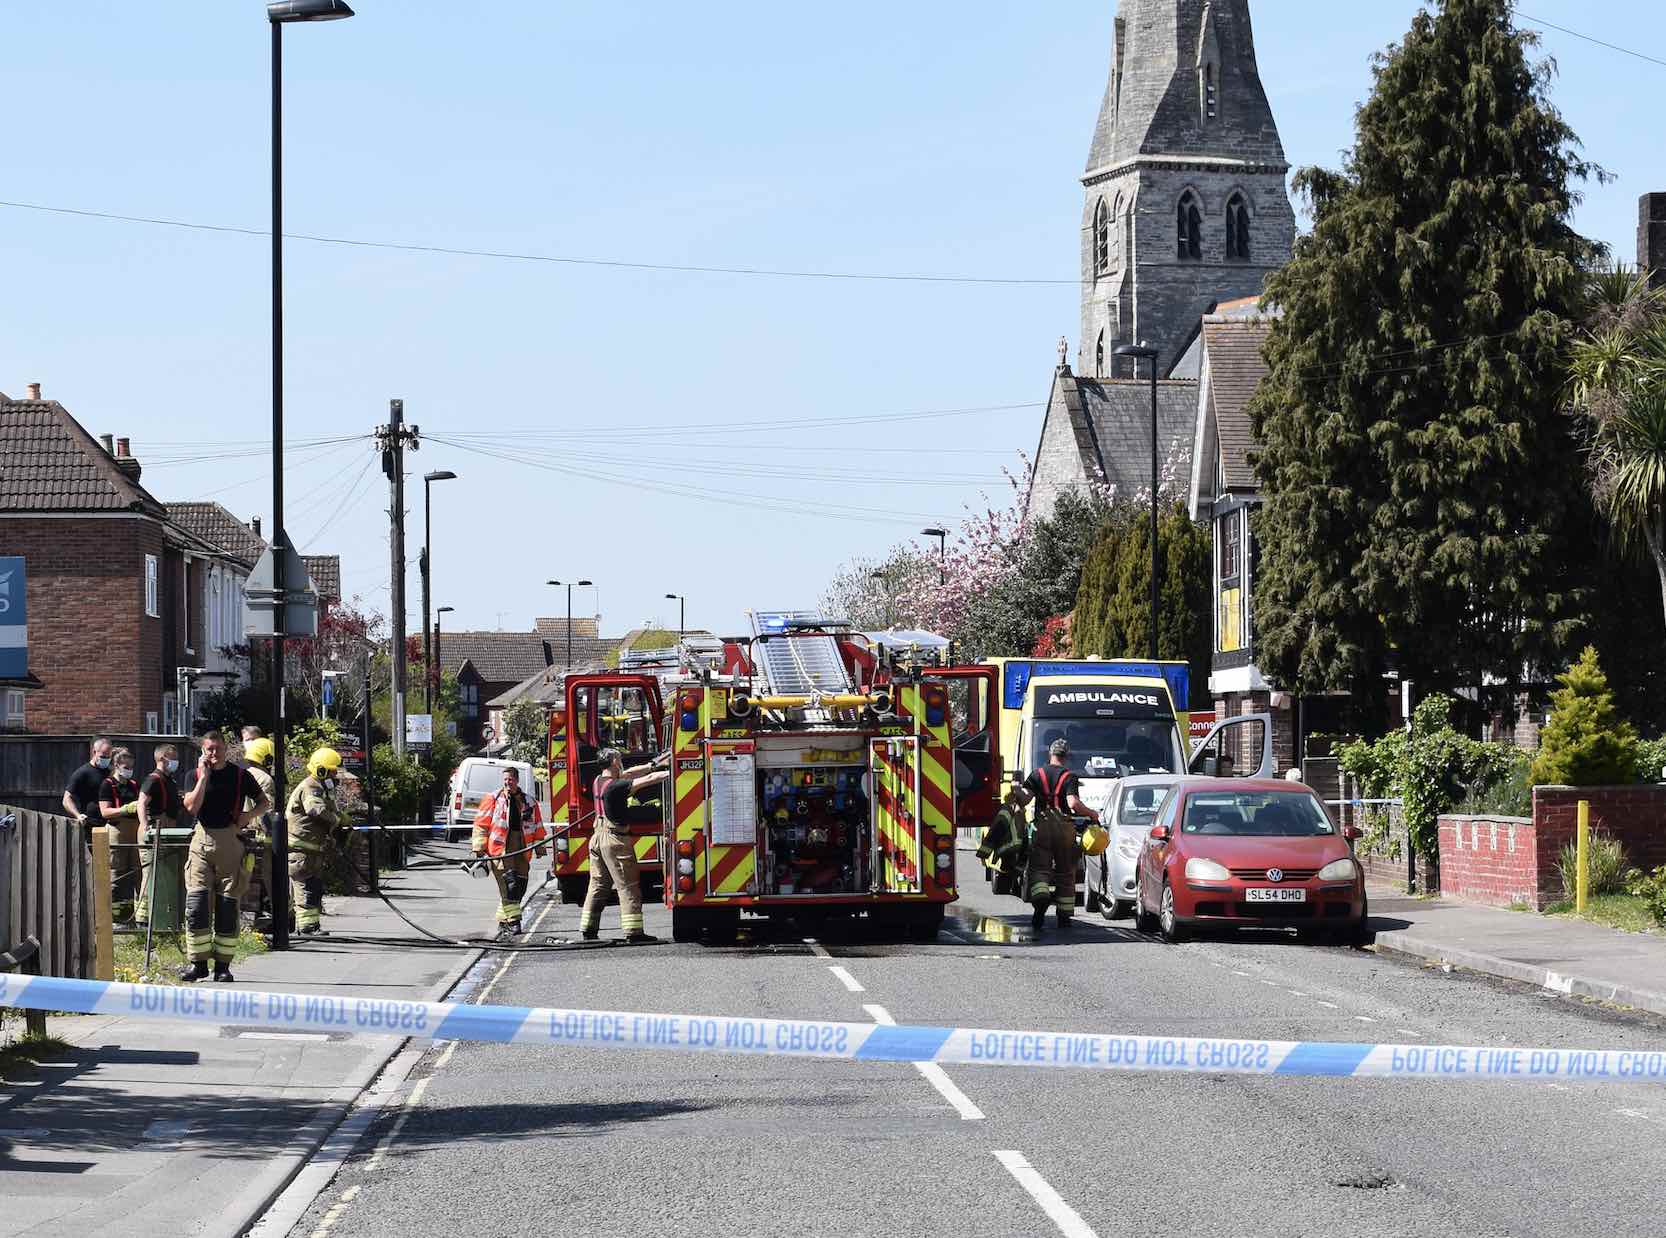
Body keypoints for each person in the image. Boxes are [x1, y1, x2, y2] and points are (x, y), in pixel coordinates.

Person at [179, 731, 269, 982]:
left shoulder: (240, 775)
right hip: (201, 839)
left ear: (226, 749)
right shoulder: (193, 775)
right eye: (209, 749)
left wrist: (247, 817)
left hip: (230, 840)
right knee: (197, 904)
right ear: (202, 750)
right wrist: (203, 778)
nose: (214, 753)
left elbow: (264, 802)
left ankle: (222, 967)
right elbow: (191, 807)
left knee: (227, 905)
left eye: (218, 748)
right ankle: (198, 964)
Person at [1009, 737, 1101, 933]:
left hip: (1042, 827)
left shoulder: (1037, 774)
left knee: (1039, 869)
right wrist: (1092, 813)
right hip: (1065, 829)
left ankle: (1040, 901)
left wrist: (1016, 789)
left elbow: (1025, 799)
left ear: (1050, 754)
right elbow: (1073, 803)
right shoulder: (1069, 777)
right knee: (1066, 872)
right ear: (1066, 756)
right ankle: (1064, 917)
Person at [578, 748, 670, 944]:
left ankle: (588, 929)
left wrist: (654, 764)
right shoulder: (616, 786)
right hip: (615, 841)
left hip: (597, 838)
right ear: (613, 762)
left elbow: (629, 773)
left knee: (598, 885)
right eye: (619, 758)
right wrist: (673, 770)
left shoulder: (599, 781)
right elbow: (647, 780)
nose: (621, 761)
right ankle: (634, 932)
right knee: (628, 886)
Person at [472, 767, 546, 940]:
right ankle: (514, 922)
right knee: (509, 885)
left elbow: (537, 825)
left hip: (522, 848)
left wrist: (539, 847)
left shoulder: (529, 801)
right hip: (500, 850)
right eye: (505, 779)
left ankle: (502, 918)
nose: (507, 782)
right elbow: (481, 824)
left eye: (510, 779)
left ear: (517, 780)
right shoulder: (493, 799)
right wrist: (479, 847)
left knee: (521, 885)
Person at [286, 747, 344, 936]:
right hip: (301, 848)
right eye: (332, 771)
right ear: (321, 770)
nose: (335, 775)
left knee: (312, 887)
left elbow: (329, 808)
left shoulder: (321, 787)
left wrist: (339, 817)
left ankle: (310, 925)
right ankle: (307, 927)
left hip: (311, 848)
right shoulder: (311, 787)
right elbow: (315, 810)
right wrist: (337, 820)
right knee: (305, 887)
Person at [135, 743, 182, 928]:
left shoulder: (170, 781)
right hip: (153, 831)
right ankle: (143, 921)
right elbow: (141, 802)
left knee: (164, 876)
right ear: (162, 758)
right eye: (173, 757)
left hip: (168, 832)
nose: (176, 761)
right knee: (150, 874)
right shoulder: (153, 779)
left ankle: (161, 918)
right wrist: (145, 825)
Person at [96, 747, 143, 924]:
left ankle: (135, 917)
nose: (129, 770)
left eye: (131, 767)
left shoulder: (134, 785)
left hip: (135, 830)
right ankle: (115, 920)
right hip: (117, 831)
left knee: (137, 872)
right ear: (116, 765)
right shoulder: (108, 784)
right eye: (126, 767)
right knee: (117, 874)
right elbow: (105, 812)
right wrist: (124, 809)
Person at [241, 736, 279, 932]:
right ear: (268, 758)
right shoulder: (265, 779)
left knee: (245, 878)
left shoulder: (243, 774)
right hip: (261, 837)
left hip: (242, 834)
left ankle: (246, 919)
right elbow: (267, 811)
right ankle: (276, 917)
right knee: (267, 877)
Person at [63, 736, 113, 828]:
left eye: (108, 757)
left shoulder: (111, 772)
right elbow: (66, 799)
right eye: (103, 756)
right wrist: (78, 815)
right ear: (94, 752)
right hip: (91, 823)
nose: (106, 760)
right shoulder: (83, 773)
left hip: (111, 823)